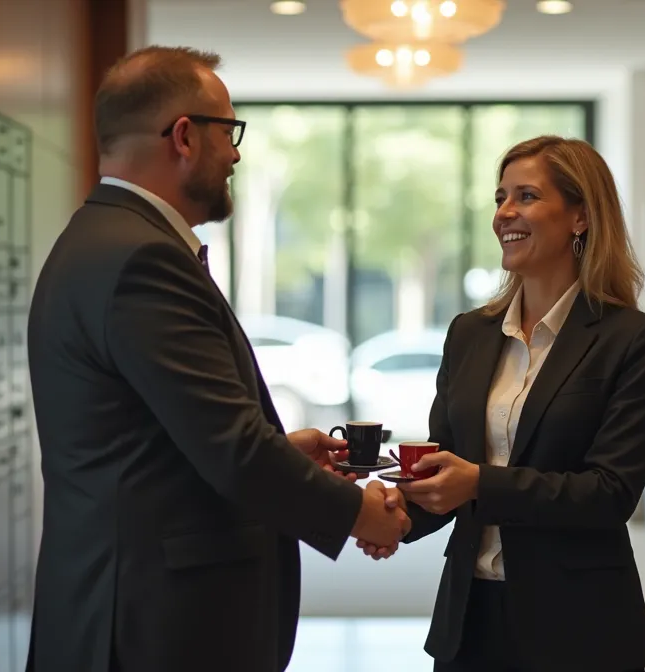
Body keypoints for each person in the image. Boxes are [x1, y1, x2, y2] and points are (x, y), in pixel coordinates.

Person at [24, 46, 408, 672]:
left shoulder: (101, 239)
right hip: (153, 627)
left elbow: (167, 437)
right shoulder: (141, 259)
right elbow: (233, 450)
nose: (234, 154)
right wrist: (361, 512)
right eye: (228, 132)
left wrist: (283, 451)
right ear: (184, 136)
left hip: (129, 611)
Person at [359, 136, 645, 672]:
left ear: (580, 217)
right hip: (469, 621)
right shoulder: (469, 334)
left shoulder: (633, 339)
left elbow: (610, 493)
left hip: (580, 627)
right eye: (500, 197)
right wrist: (398, 517)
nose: (505, 213)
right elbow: (446, 465)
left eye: (526, 196)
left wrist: (479, 482)